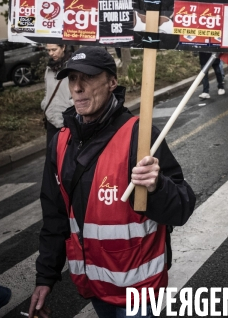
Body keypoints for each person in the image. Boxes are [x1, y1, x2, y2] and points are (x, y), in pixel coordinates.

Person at [29, 46, 195, 318]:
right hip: (93, 287)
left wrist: (157, 186)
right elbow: (55, 217)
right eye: (72, 79)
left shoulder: (139, 136)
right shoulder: (61, 142)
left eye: (88, 77)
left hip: (139, 289)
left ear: (111, 82)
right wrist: (45, 278)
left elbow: (182, 207)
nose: (78, 88)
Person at [41, 44, 73, 147]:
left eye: (54, 49)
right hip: (51, 119)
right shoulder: (48, 69)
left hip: (68, 120)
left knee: (67, 157)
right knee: (51, 157)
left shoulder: (72, 67)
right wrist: (45, 104)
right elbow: (47, 91)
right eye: (49, 50)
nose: (51, 53)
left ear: (63, 47)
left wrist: (71, 105)